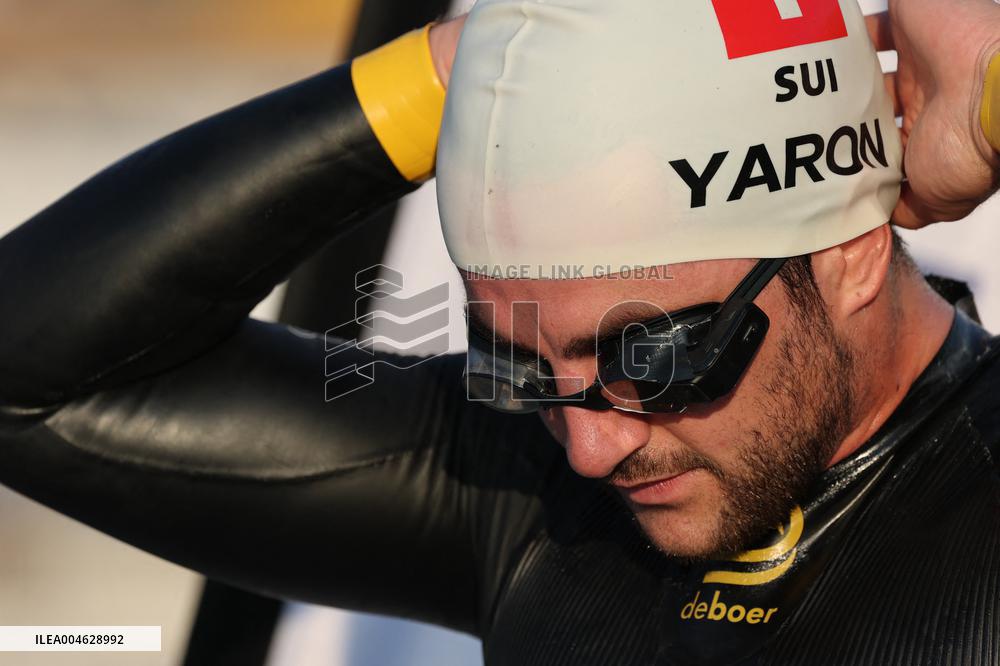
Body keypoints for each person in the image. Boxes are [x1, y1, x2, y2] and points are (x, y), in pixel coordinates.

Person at [0, 1, 998, 664]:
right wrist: (463, 72)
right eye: (517, 359)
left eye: (654, 358)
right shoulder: (535, 499)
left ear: (850, 255)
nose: (592, 445)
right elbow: (31, 378)